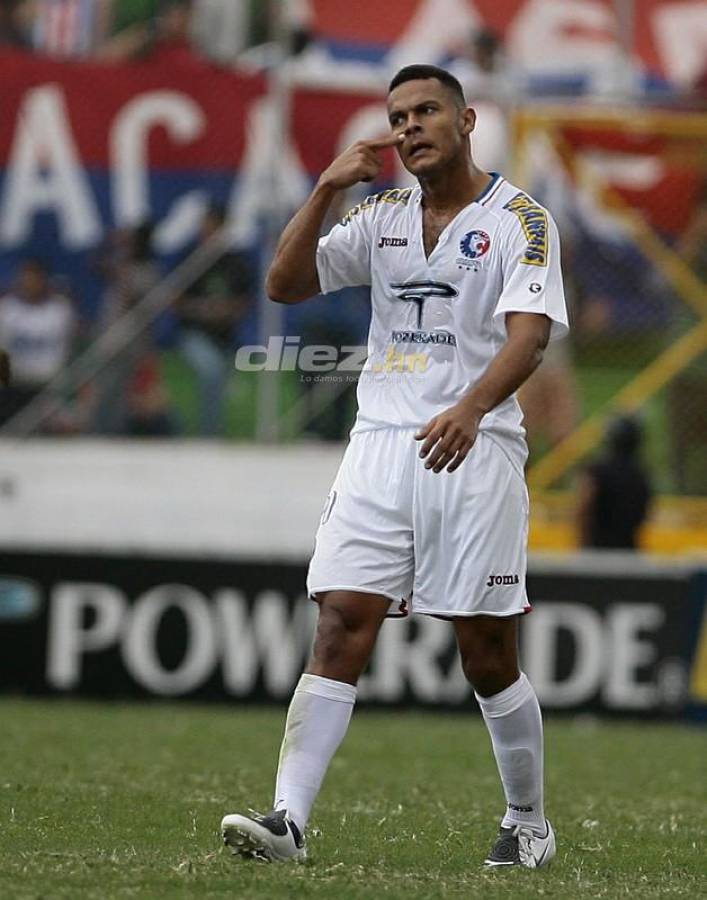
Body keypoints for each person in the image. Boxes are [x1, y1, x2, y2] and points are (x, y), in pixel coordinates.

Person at [221, 64, 568, 869]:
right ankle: (288, 823)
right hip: (380, 444)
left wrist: (472, 407)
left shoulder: (520, 219)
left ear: (466, 119)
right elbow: (283, 283)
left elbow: (530, 336)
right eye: (397, 117)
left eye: (425, 112)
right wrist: (323, 190)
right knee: (341, 620)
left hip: (475, 450)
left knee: (485, 650)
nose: (409, 127)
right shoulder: (378, 215)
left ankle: (528, 823)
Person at [176, 203, 254, 436]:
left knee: (222, 379)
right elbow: (175, 299)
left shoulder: (234, 262)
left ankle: (213, 429)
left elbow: (246, 300)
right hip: (194, 332)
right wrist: (202, 310)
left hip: (225, 335)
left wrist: (225, 310)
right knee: (212, 371)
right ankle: (209, 433)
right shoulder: (193, 259)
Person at [0, 258, 76, 429]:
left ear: (43, 280)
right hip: (14, 384)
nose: (30, 284)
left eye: (34, 279)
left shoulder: (60, 310)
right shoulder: (7, 309)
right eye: (26, 279)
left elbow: (69, 348)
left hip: (47, 385)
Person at [577, 416, 652, 549]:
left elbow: (584, 507)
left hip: (597, 551)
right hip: (629, 551)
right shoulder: (642, 476)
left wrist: (582, 545)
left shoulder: (597, 471)